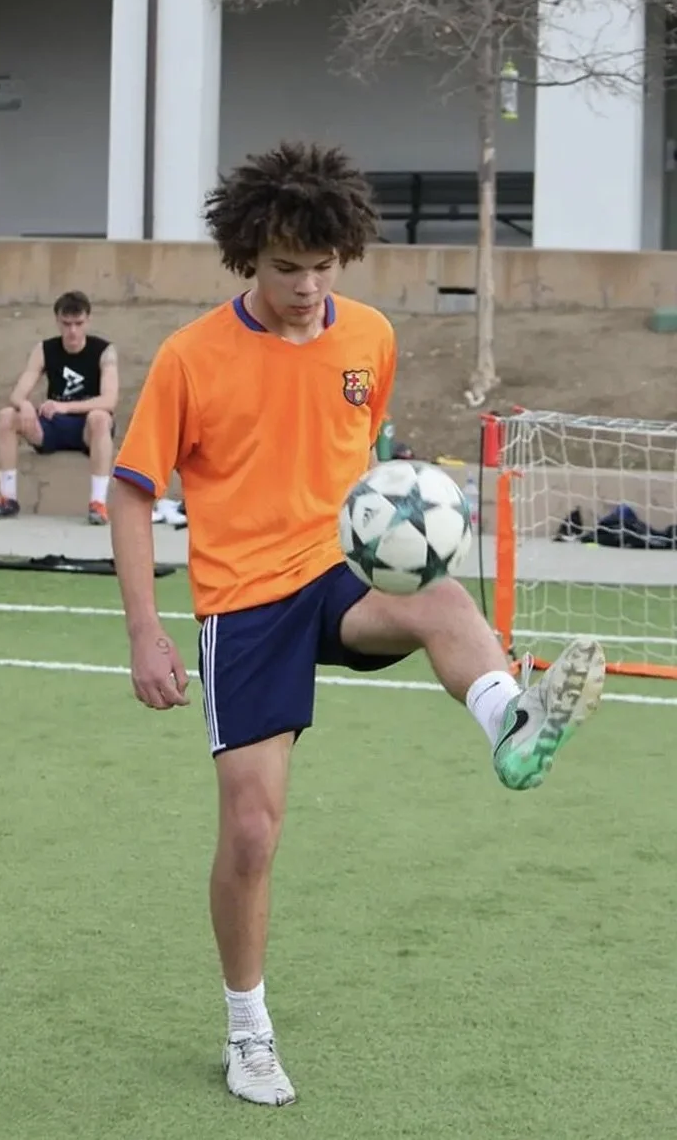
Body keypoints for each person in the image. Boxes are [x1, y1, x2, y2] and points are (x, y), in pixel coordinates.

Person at [108, 142, 606, 1108]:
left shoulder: (369, 337)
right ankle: (247, 1029)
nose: (305, 287)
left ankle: (513, 722)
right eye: (286, 266)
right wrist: (144, 630)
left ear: (346, 256)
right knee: (252, 830)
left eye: (322, 267)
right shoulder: (190, 358)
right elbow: (133, 496)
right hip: (243, 602)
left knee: (443, 598)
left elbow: (363, 451)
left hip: (338, 574)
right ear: (249, 253)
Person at [0, 290, 119, 525]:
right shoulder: (45, 349)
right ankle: (7, 498)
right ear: (57, 321)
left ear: (88, 321)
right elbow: (17, 394)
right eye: (66, 324)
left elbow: (109, 400)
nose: (72, 331)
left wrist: (66, 407)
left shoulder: (103, 351)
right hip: (51, 427)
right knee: (6, 416)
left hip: (87, 430)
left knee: (100, 418)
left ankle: (98, 503)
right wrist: (25, 405)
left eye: (78, 323)